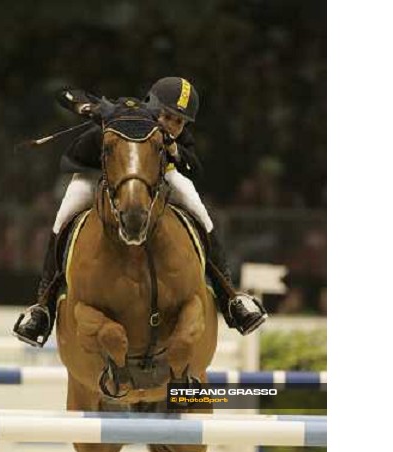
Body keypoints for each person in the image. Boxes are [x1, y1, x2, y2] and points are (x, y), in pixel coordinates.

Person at [14, 77, 266, 347]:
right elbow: (65, 95)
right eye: (167, 116)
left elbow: (195, 168)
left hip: (153, 177)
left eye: (179, 121)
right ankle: (44, 307)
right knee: (64, 216)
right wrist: (88, 108)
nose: (171, 124)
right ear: (151, 107)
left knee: (199, 211)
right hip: (96, 172)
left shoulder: (176, 137)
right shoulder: (122, 113)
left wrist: (173, 150)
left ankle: (230, 298)